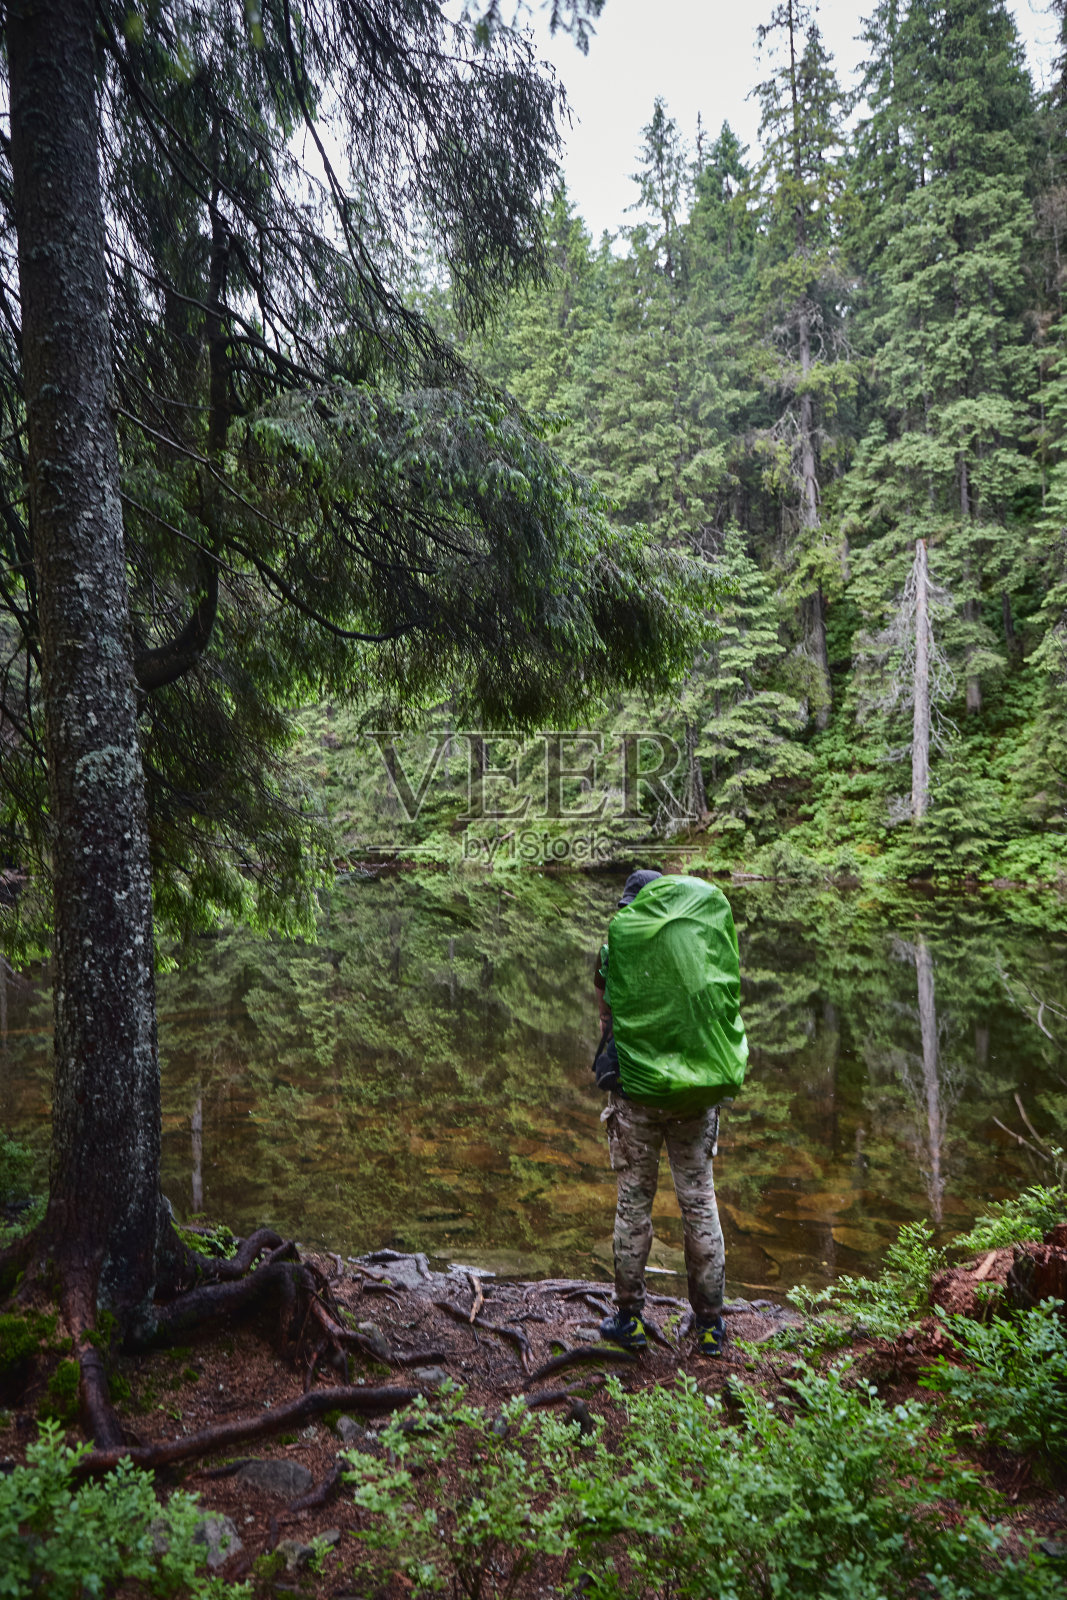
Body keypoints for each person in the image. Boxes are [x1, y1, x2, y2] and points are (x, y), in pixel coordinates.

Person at [592, 869, 748, 1357]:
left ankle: (629, 1321)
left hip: (636, 1095)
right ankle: (709, 1327)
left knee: (632, 1204)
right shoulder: (700, 949)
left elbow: (605, 1014)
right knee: (699, 1201)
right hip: (694, 1097)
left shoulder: (615, 950)